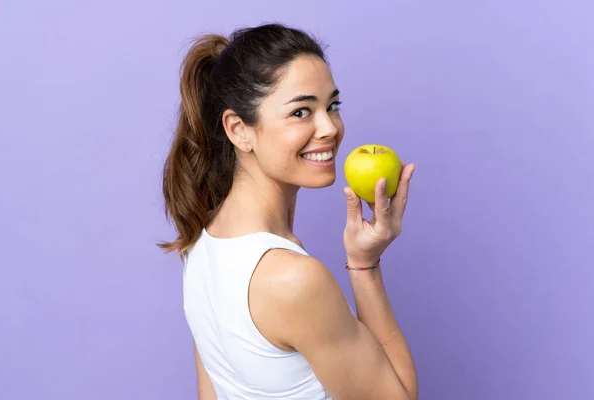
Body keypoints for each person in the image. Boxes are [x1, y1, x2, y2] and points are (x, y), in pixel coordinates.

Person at [159, 23, 418, 400]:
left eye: (332, 106)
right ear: (239, 129)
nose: (329, 127)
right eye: (301, 112)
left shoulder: (200, 247)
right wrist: (365, 265)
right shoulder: (293, 280)